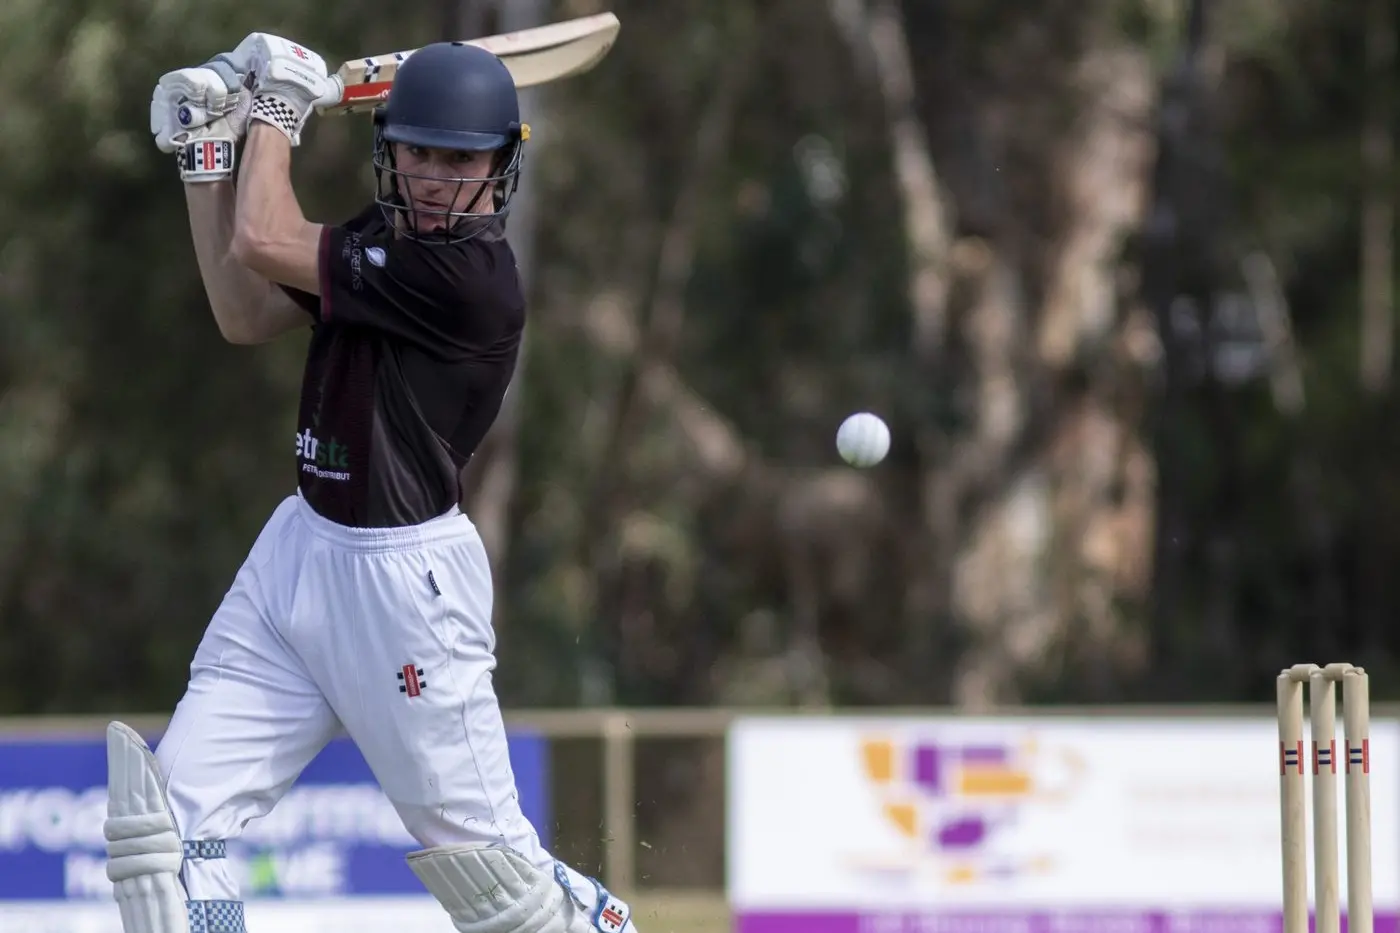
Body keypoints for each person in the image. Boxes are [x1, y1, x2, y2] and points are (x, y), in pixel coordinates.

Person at [104, 32, 635, 933]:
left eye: (458, 158)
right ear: (391, 152)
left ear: (499, 167)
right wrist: (207, 152)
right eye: (418, 152)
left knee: (495, 882)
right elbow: (244, 307)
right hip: (296, 561)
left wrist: (274, 110)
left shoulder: (470, 279)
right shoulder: (376, 238)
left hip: (406, 590)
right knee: (165, 837)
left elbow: (265, 233)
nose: (433, 176)